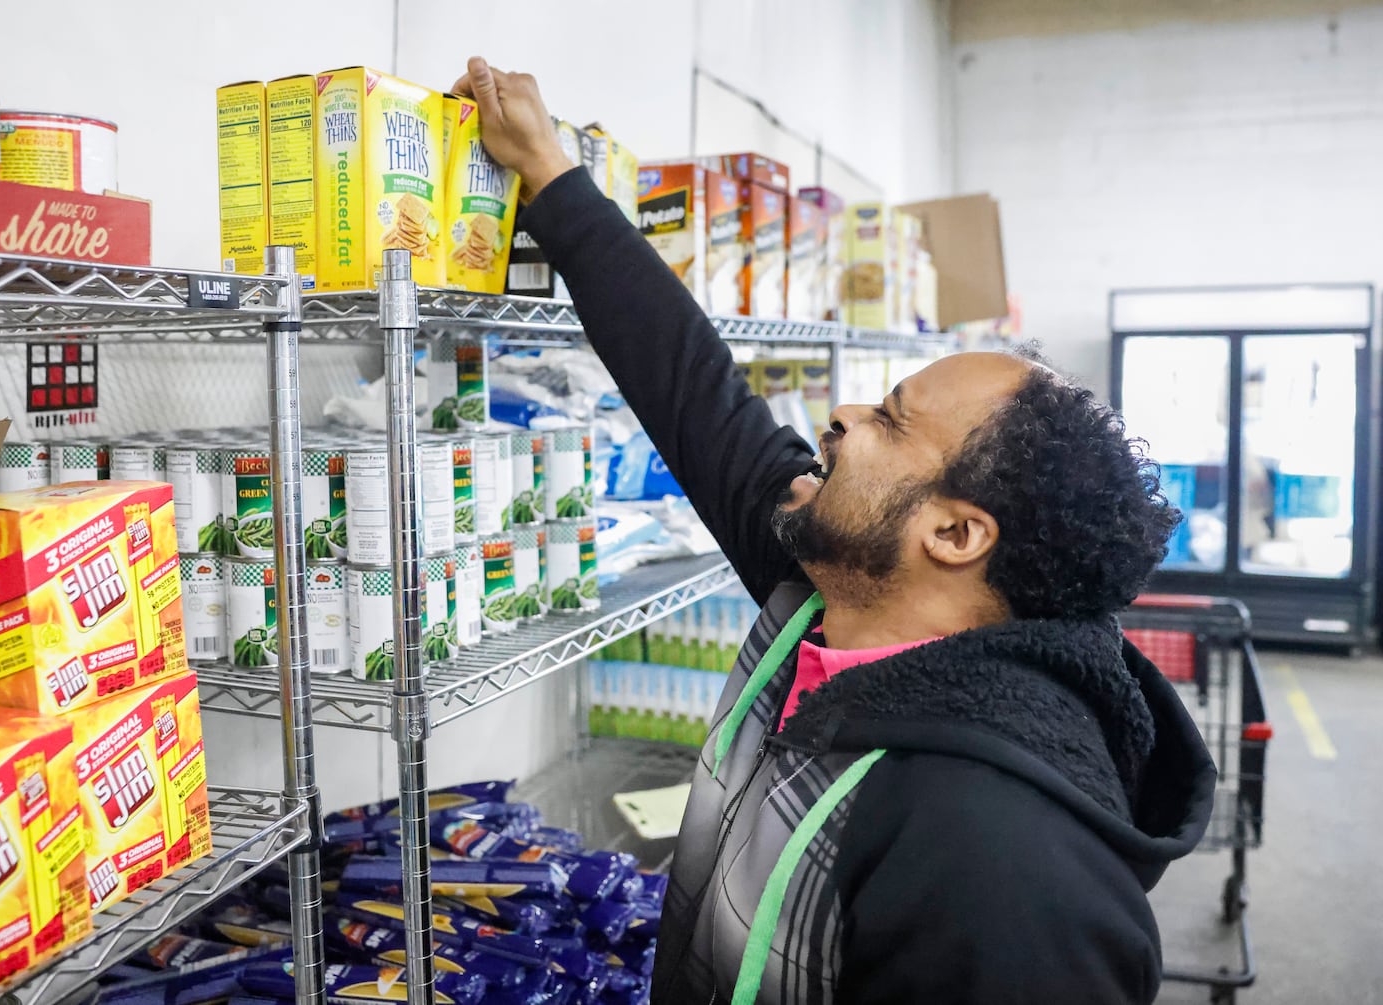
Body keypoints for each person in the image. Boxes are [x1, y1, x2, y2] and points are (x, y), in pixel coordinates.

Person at [453, 58, 1216, 1005]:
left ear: (953, 533)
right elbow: (695, 387)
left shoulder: (1000, 862)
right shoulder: (832, 593)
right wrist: (551, 176)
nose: (843, 414)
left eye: (890, 421)